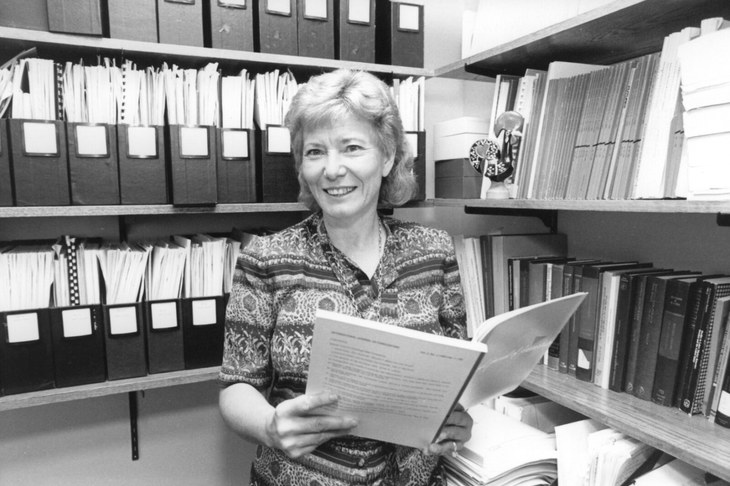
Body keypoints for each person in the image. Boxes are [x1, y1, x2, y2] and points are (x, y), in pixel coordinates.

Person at [219, 68, 473, 486]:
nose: (332, 169)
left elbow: (454, 375)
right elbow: (236, 387)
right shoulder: (265, 259)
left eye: (351, 147)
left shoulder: (434, 251)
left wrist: (457, 420)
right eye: (315, 152)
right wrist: (269, 426)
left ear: (387, 157)